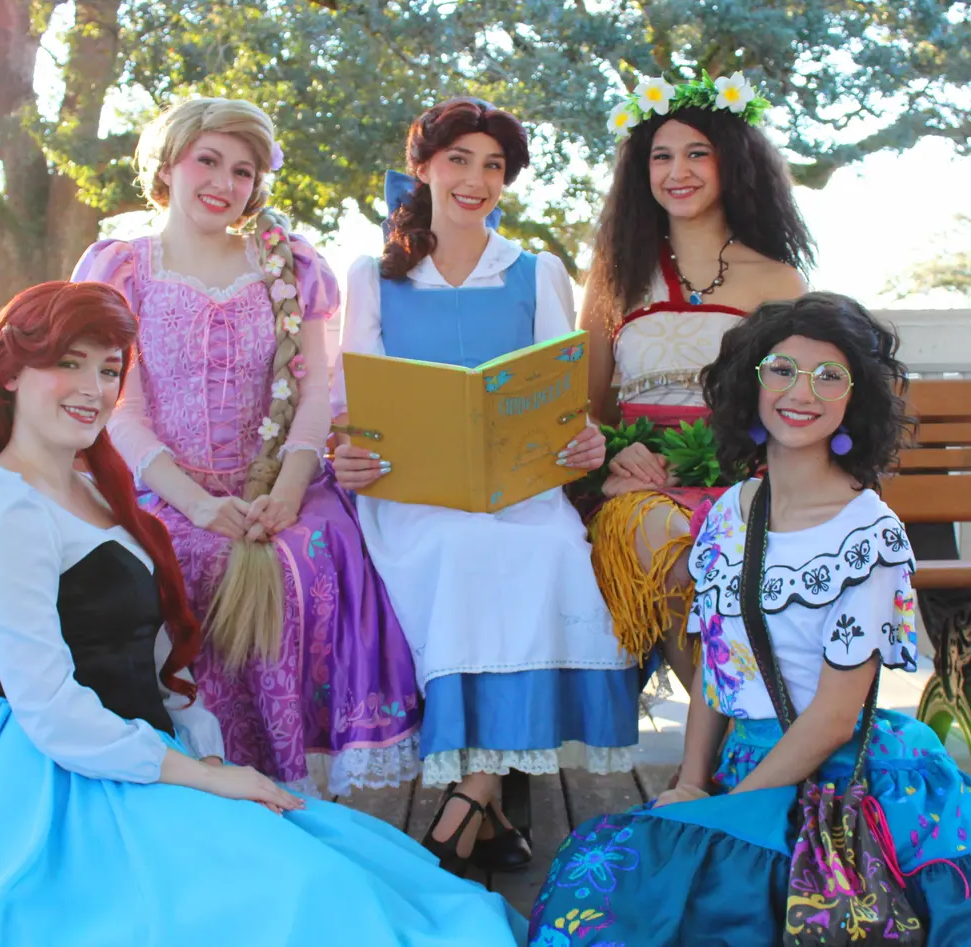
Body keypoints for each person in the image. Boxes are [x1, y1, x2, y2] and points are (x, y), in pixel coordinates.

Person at [0, 281, 528, 946]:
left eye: (109, 368)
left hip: (144, 756)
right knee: (300, 898)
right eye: (69, 362)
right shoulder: (3, 505)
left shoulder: (91, 490)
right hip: (59, 781)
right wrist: (208, 774)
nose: (92, 386)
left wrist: (211, 763)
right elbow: (51, 709)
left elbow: (150, 673)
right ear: (9, 371)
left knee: (358, 874)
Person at [529, 292, 971, 946]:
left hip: (842, 783)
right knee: (602, 901)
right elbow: (718, 660)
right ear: (751, 383)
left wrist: (728, 812)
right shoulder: (735, 512)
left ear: (857, 398)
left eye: (829, 376)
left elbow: (832, 718)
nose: (803, 391)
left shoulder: (866, 535)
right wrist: (690, 782)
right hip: (742, 762)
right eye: (782, 369)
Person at [71, 97, 420, 795]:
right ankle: (204, 777)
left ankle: (298, 782)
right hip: (169, 487)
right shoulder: (122, 269)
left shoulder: (287, 265)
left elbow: (316, 392)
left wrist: (289, 490)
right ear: (168, 162)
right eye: (209, 161)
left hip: (284, 486)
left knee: (307, 555)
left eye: (244, 170)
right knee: (184, 557)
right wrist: (200, 504)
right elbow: (120, 408)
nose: (225, 183)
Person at [331, 97, 643, 877]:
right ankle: (487, 800)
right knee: (463, 548)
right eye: (459, 160)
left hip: (521, 490)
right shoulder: (372, 277)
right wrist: (351, 455)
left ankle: (472, 793)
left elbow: (563, 413)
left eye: (493, 166)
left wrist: (585, 442)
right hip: (411, 491)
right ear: (425, 168)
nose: (476, 179)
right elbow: (353, 410)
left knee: (548, 549)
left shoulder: (537, 274)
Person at [581, 73, 813, 695]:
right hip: (640, 483)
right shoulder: (614, 281)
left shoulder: (778, 281)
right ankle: (727, 742)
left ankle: (739, 748)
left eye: (696, 153)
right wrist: (612, 449)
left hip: (746, 475)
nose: (676, 171)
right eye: (661, 156)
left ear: (731, 163)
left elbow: (796, 400)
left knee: (736, 548)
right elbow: (582, 406)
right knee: (669, 547)